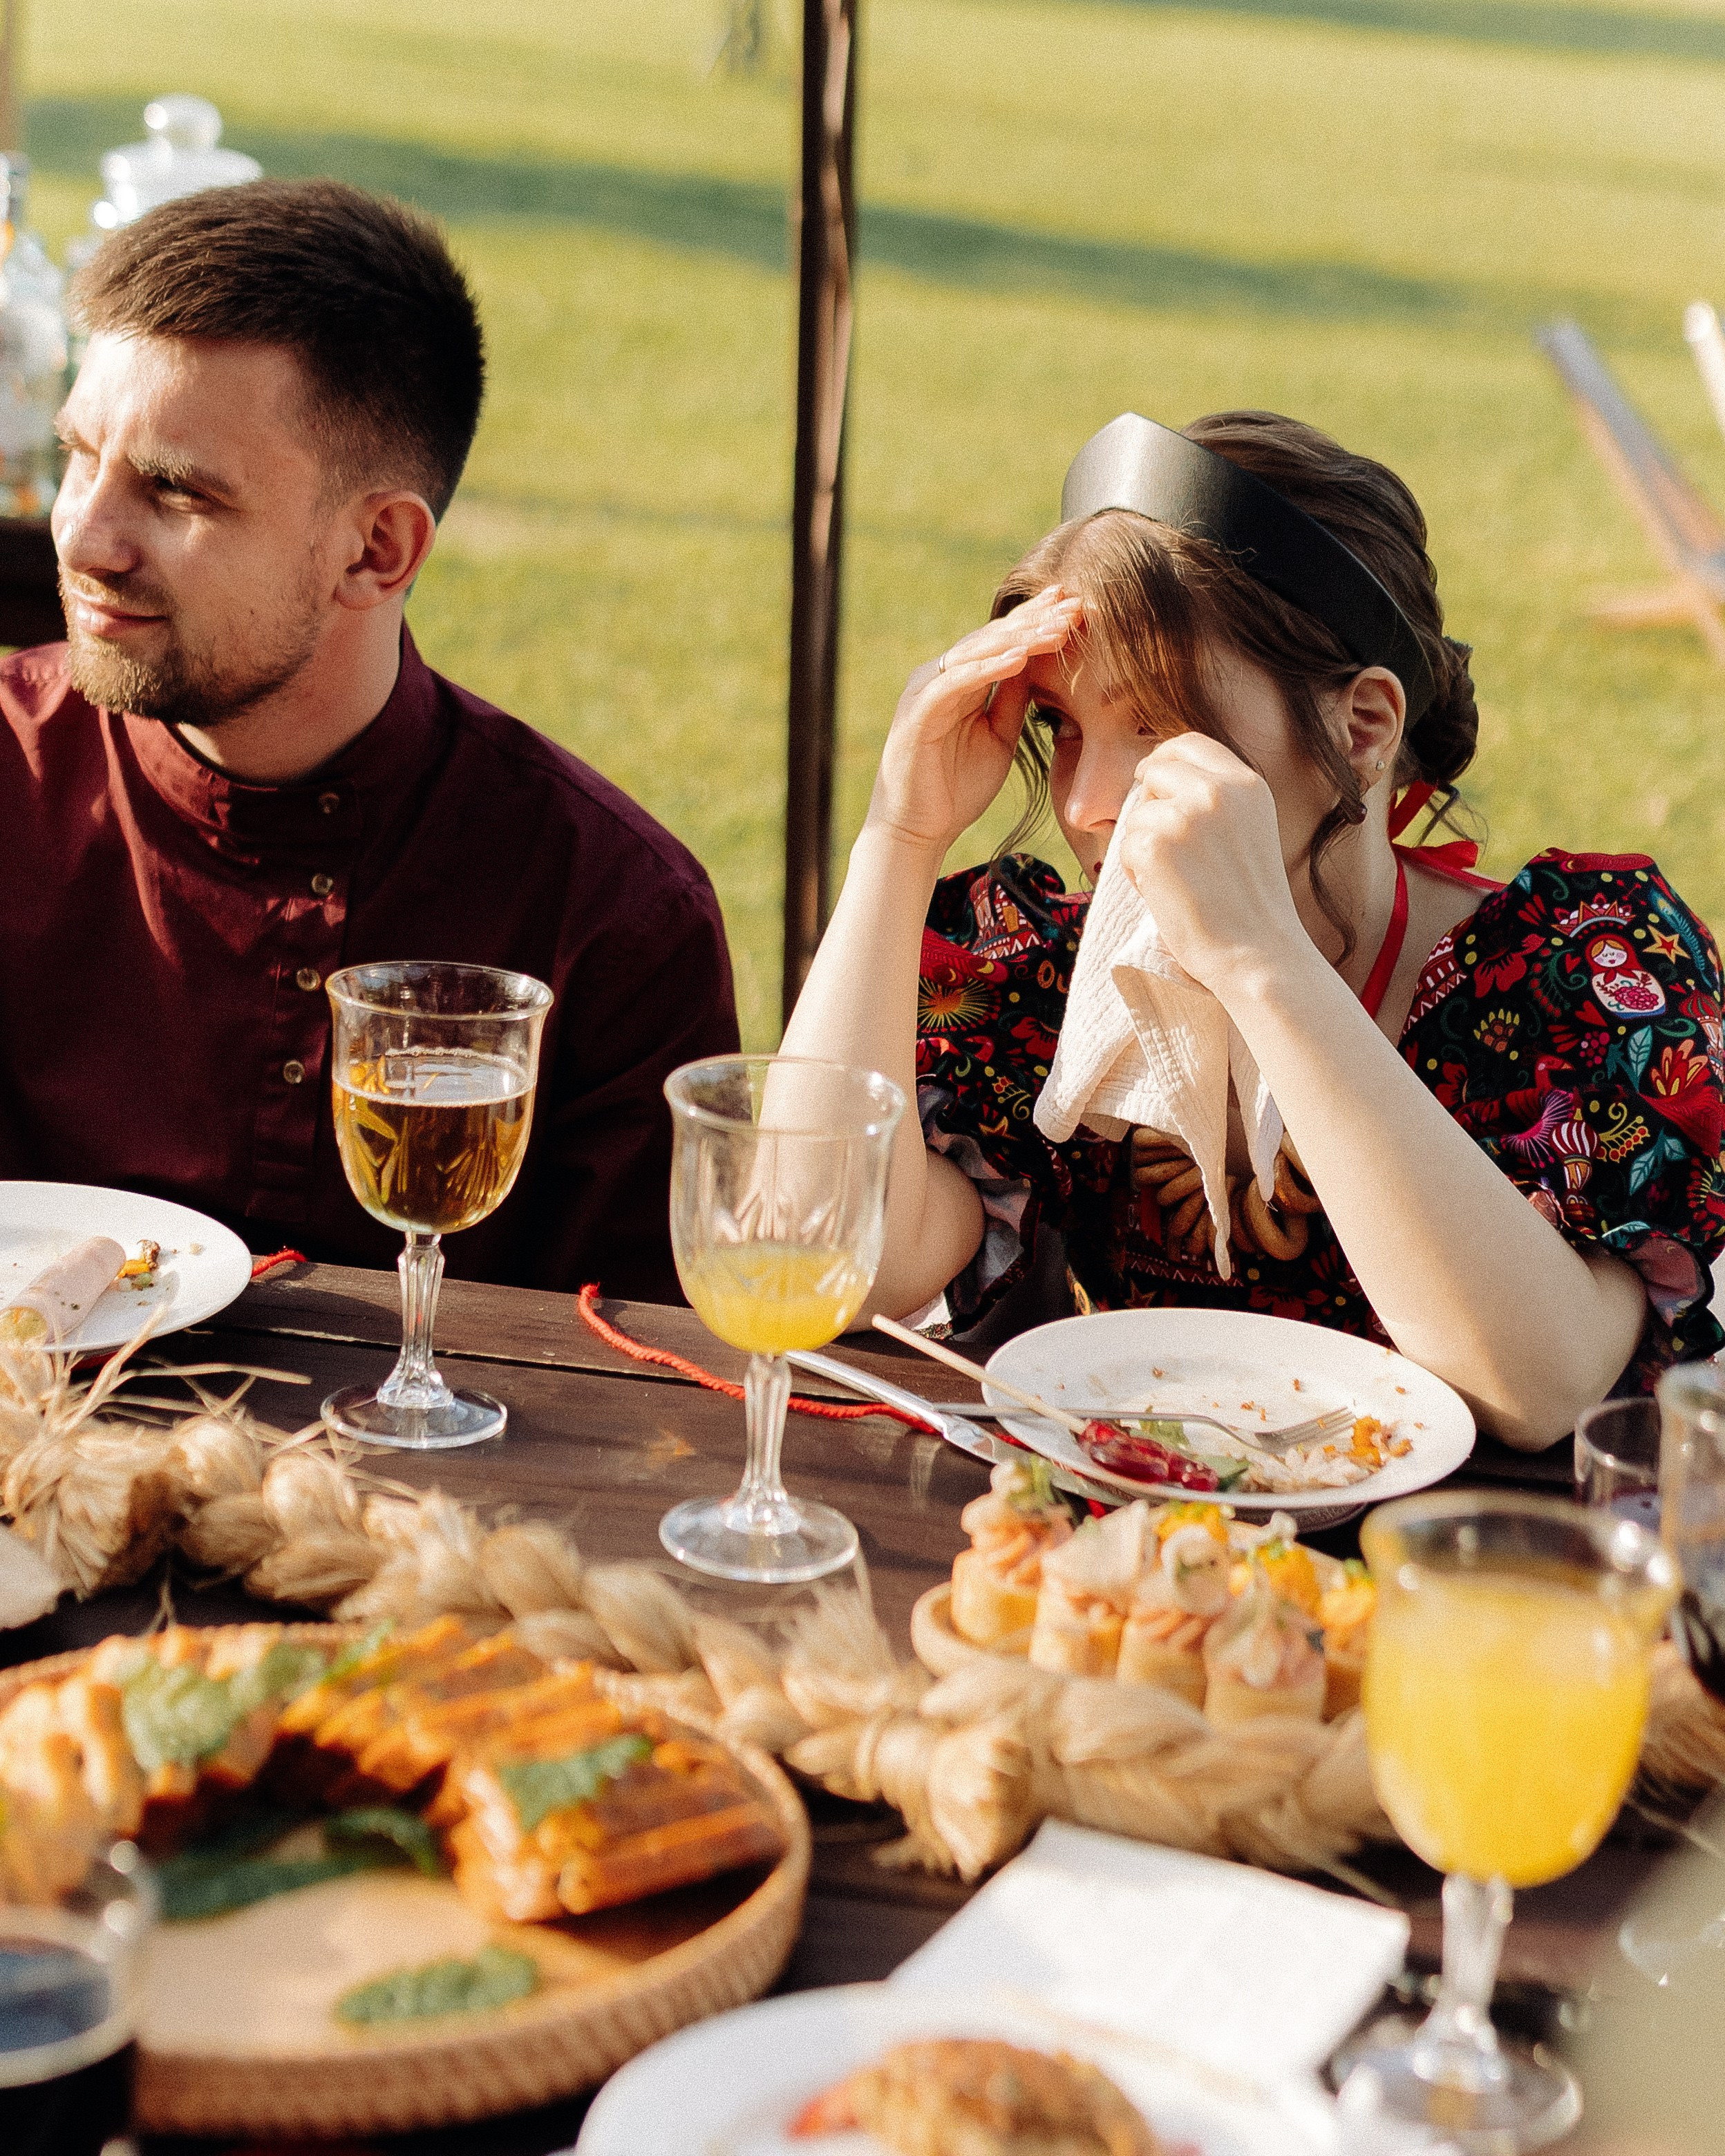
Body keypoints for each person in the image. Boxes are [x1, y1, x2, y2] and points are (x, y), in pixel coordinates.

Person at [781, 409, 1725, 1449]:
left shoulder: (1579, 968)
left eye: (1154, 724)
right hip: (1148, 1587)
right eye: (1066, 729)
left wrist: (1261, 962)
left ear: (1361, 729)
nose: (1086, 801)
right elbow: (822, 1253)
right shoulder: (1049, 976)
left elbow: (1540, 1386)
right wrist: (899, 838)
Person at [0, 178, 737, 1300]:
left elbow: (642, 1380)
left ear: (377, 552)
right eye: (79, 458)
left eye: (176, 491)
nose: (87, 537)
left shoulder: (611, 920)